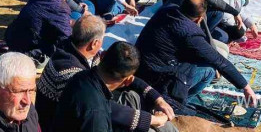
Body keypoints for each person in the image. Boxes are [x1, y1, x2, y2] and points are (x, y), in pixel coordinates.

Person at [37, 16, 176, 132]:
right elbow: (103, 108)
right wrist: (152, 119)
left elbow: (120, 74)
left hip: (86, 114)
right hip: (59, 124)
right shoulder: (69, 72)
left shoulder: (82, 54)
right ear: (94, 43)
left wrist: (157, 98)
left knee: (133, 97)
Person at [135, 0, 257, 114]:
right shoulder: (189, 32)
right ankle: (179, 102)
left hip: (141, 67)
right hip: (158, 78)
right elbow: (219, 61)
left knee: (214, 52)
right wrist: (246, 87)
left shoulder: (167, 10)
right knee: (210, 70)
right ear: (199, 19)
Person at [54, 41, 176, 132]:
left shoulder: (82, 75)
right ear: (128, 80)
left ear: (102, 56)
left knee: (132, 97)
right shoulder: (96, 115)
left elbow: (113, 110)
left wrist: (157, 99)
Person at [5, 0, 74, 64]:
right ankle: (31, 55)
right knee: (58, 47)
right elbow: (66, 35)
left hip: (12, 35)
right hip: (27, 45)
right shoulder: (59, 7)